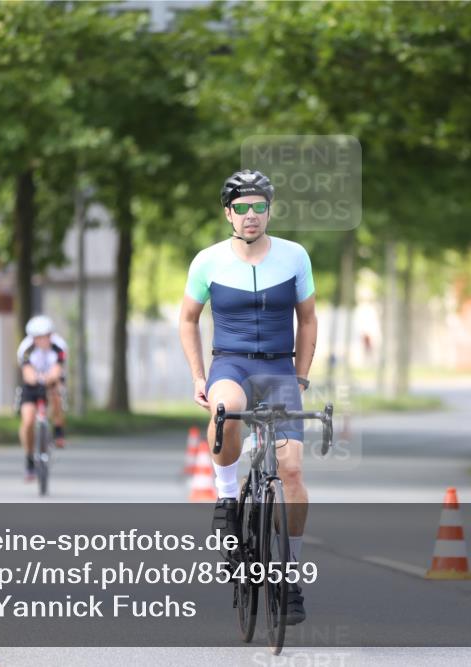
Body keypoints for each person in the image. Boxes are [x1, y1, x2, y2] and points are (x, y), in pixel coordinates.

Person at [178, 169, 318, 624]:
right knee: (226, 411)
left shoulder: (295, 257)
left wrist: (299, 378)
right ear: (228, 213)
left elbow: (309, 320)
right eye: (242, 207)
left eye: (259, 206)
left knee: (292, 470)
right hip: (230, 363)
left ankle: (290, 576)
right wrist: (199, 375)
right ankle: (225, 499)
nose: (251, 215)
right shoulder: (208, 261)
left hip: (279, 366)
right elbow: (187, 319)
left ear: (269, 211)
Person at [17, 314, 68, 481]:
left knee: (56, 393)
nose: (43, 341)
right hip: (32, 383)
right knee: (28, 421)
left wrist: (49, 379)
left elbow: (57, 370)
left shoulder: (59, 347)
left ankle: (58, 429)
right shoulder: (25, 349)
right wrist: (37, 379)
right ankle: (29, 458)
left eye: (46, 337)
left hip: (52, 379)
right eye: (39, 338)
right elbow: (27, 373)